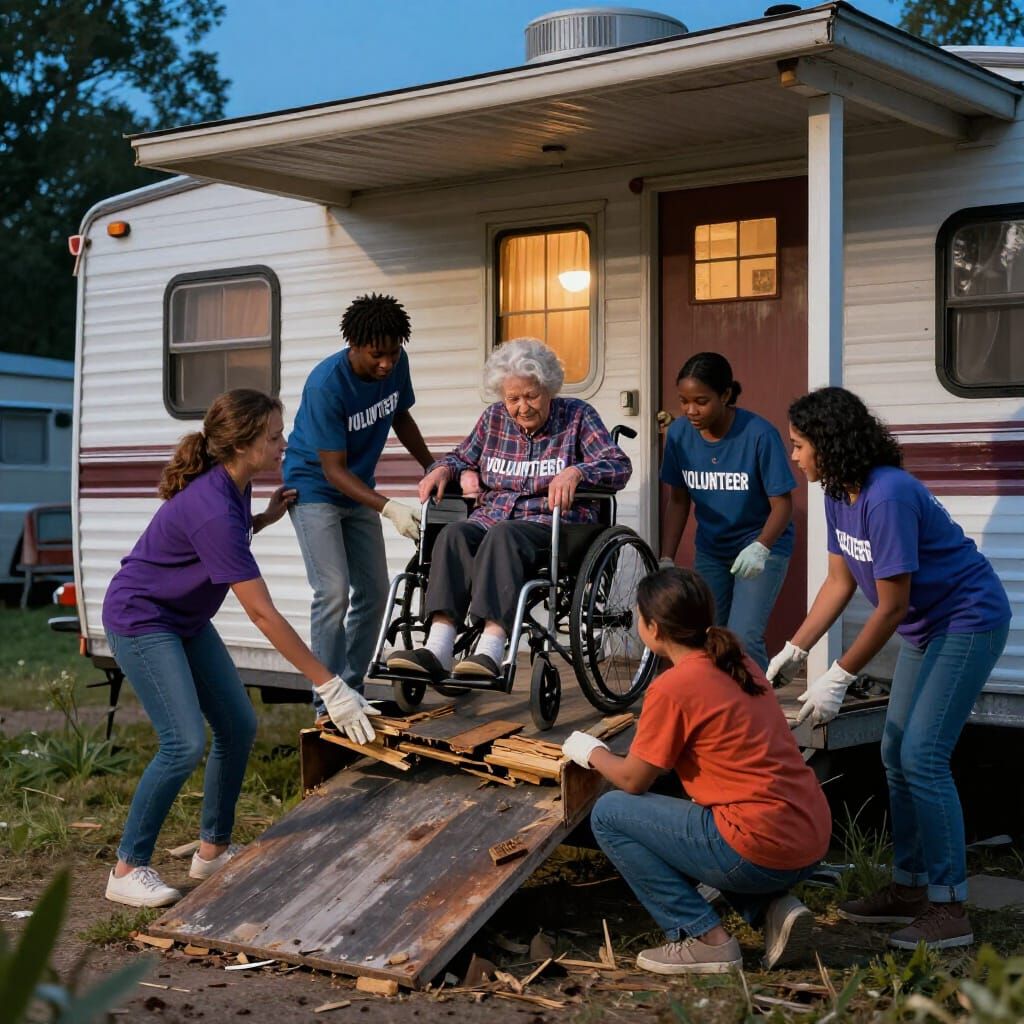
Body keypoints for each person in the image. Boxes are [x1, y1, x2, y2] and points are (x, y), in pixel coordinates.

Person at [102, 390, 379, 908]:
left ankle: (212, 851)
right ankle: (127, 868)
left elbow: (219, 538)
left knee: (237, 725)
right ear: (242, 445)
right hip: (141, 618)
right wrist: (329, 683)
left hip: (184, 619)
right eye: (274, 437)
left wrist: (264, 519)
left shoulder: (235, 484)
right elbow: (262, 614)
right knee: (183, 743)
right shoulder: (212, 504)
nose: (283, 444)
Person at [769, 387, 1011, 950]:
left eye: (800, 445)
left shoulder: (888, 495)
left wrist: (840, 676)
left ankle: (950, 907)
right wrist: (795, 650)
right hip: (927, 628)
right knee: (894, 752)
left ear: (830, 443)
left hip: (968, 620)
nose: (795, 456)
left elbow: (892, 605)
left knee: (923, 755)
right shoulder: (837, 492)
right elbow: (840, 582)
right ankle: (910, 888)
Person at [562, 567, 830, 975]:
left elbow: (634, 780)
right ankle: (772, 908)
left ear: (653, 628)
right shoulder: (738, 661)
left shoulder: (672, 687)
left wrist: (591, 751)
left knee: (610, 814)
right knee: (704, 818)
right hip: (809, 835)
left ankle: (704, 939)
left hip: (759, 845)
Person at [386, 338, 631, 681]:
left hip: (551, 524)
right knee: (454, 535)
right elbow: (461, 457)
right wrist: (442, 469)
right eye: (513, 398)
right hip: (493, 517)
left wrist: (577, 471)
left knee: (503, 536)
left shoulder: (577, 416)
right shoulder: (493, 419)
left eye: (531, 396)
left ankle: (490, 648)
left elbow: (618, 465)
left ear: (549, 389)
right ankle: (438, 647)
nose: (522, 407)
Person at [283, 293, 434, 716]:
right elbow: (333, 471)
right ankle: (326, 701)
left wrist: (431, 465)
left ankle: (350, 690)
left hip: (358, 487)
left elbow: (400, 415)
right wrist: (389, 507)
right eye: (376, 355)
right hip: (314, 490)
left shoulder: (397, 363)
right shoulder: (326, 385)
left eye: (393, 353)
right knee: (332, 592)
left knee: (375, 593)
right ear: (354, 345)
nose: (386, 364)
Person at [659, 352, 795, 670]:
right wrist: (666, 558)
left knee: (743, 637)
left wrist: (761, 547)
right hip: (712, 549)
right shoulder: (679, 435)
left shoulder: (759, 434)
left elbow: (783, 505)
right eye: (684, 401)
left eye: (701, 401)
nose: (691, 411)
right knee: (706, 635)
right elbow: (678, 501)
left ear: (725, 395)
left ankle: (756, 700)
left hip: (761, 543)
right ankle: (716, 698)